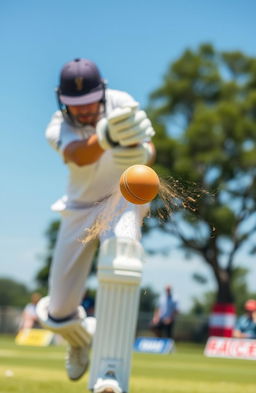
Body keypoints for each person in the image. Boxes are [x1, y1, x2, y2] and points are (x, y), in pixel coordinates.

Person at [36, 58, 156, 393]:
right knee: (57, 311)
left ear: (102, 91)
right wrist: (106, 137)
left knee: (122, 265)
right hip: (79, 209)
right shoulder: (57, 125)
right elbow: (77, 154)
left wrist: (141, 150)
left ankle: (110, 374)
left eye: (89, 102)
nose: (85, 111)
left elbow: (149, 152)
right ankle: (81, 340)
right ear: (62, 102)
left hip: (122, 201)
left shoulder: (122, 103)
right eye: (76, 106)